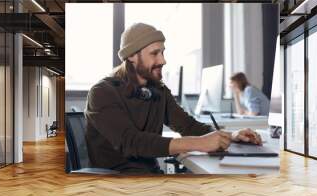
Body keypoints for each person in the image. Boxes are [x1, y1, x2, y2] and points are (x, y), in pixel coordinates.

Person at [85, 23, 262, 174]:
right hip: (117, 184)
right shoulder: (102, 92)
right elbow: (132, 142)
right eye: (155, 53)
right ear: (131, 56)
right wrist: (199, 143)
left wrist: (231, 136)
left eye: (162, 52)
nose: (163, 60)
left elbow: (188, 126)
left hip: (151, 179)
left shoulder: (158, 91)